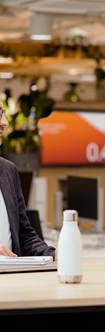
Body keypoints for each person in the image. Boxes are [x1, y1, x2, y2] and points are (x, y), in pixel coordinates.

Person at [0, 106, 56, 258]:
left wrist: (52, 254)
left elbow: (24, 235)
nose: (4, 123)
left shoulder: (8, 171)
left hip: (12, 276)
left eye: (3, 114)